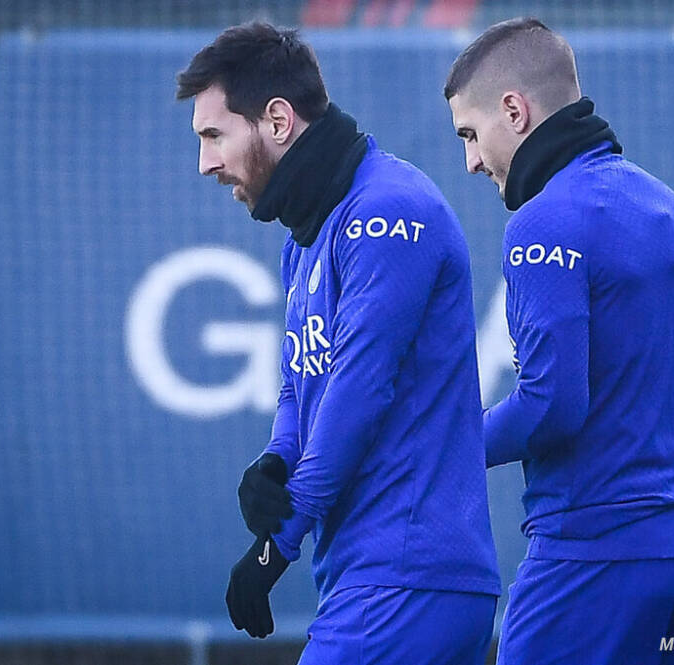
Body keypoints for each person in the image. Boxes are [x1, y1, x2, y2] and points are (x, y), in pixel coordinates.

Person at [176, 22, 500, 663]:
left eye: (214, 135)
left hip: (409, 581)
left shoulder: (388, 214)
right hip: (371, 580)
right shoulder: (305, 239)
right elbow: (302, 388)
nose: (205, 163)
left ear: (276, 121)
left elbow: (356, 392)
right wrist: (274, 462)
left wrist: (276, 546)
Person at [444, 17, 674, 665]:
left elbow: (551, 405)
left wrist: (435, 449)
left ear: (515, 110)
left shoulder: (544, 221)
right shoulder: (663, 204)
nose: (471, 160)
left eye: (471, 135)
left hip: (589, 560)